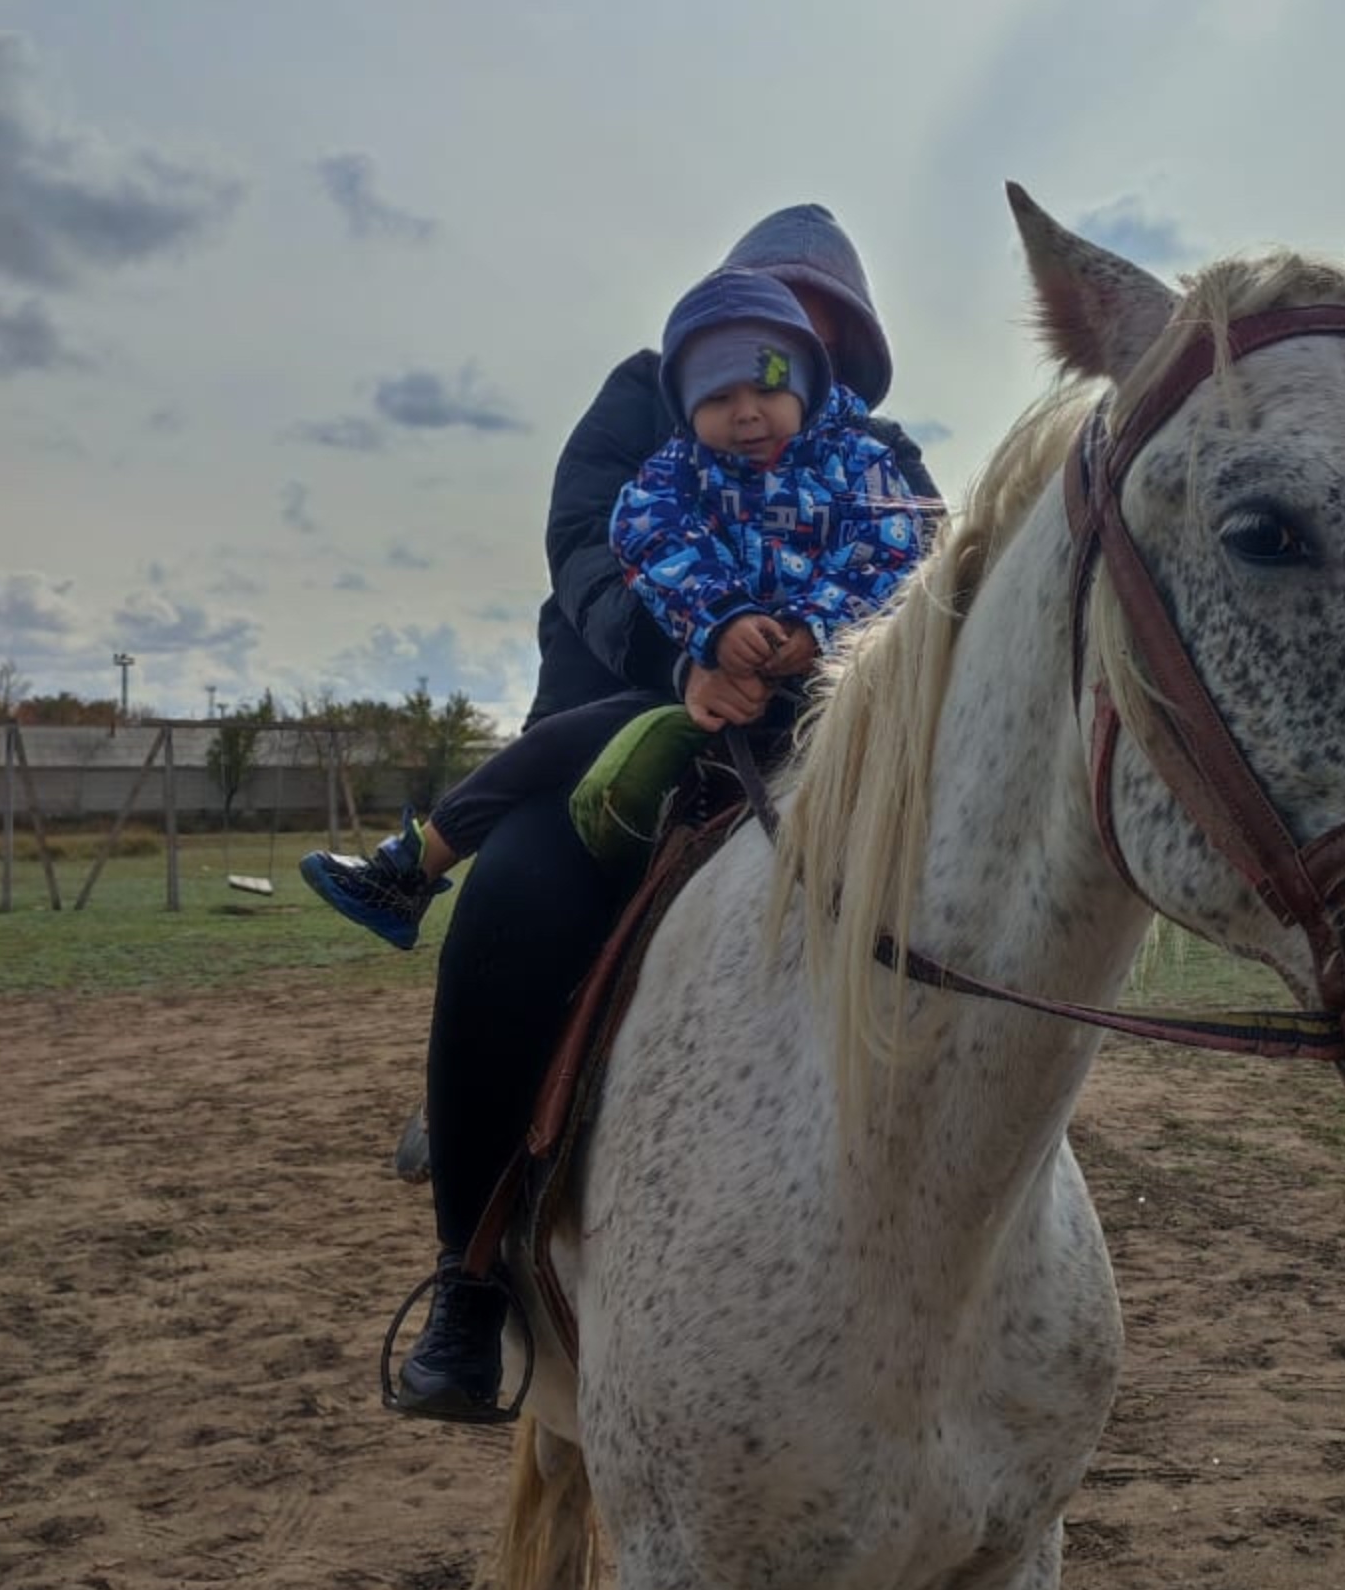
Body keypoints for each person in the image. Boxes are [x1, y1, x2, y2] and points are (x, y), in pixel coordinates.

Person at [359, 207, 934, 1419]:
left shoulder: (876, 449)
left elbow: (933, 565)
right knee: (506, 915)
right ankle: (469, 1279)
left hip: (832, 736)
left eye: (814, 337)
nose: (771, 372)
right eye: (769, 318)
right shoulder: (648, 408)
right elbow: (586, 542)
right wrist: (681, 657)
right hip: (625, 710)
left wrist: (831, 650)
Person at [297, 270, 930, 944]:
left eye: (770, 385)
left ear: (811, 378)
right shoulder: (676, 469)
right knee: (556, 747)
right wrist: (716, 628)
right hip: (698, 689)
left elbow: (895, 549)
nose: (746, 412)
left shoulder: (866, 460)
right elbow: (646, 537)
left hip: (834, 695)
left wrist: (816, 626)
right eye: (718, 395)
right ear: (685, 405)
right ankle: (410, 869)